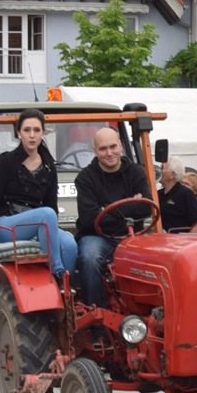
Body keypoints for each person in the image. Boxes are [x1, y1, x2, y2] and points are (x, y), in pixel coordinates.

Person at [0, 109, 76, 275]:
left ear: (43, 133)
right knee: (47, 214)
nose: (32, 135)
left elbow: (51, 204)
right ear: (18, 133)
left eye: (37, 130)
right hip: (6, 224)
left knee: (70, 244)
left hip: (38, 223)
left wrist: (49, 233)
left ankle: (65, 291)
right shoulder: (6, 161)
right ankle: (56, 272)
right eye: (27, 130)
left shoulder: (49, 166)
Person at [74, 127, 148, 302]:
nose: (109, 153)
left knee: (161, 256)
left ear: (121, 146)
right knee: (90, 257)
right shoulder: (85, 178)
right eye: (103, 149)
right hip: (99, 237)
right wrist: (130, 204)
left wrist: (105, 209)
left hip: (133, 235)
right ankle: (97, 314)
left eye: (113, 146)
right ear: (95, 151)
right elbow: (90, 218)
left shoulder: (136, 172)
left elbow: (146, 208)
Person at [157, 162, 197, 233]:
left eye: (162, 169)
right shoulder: (158, 194)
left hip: (178, 241)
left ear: (172, 175)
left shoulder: (186, 194)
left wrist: (186, 240)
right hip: (160, 240)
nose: (159, 171)